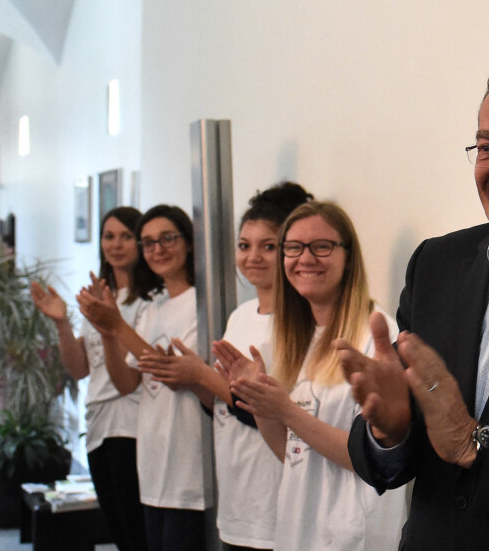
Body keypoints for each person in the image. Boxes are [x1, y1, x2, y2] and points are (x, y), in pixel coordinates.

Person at [337, 63, 489, 551]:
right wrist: (390, 429)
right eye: (488, 147)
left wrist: (474, 444)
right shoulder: (436, 264)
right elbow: (398, 453)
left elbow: (460, 438)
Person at [214, 201, 406, 551]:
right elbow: (292, 454)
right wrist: (259, 402)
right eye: (293, 248)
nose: (305, 259)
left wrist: (286, 410)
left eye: (321, 247)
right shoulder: (290, 341)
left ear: (348, 257)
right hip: (297, 531)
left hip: (353, 537)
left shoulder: (373, 334)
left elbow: (373, 460)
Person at [138, 182, 313, 551]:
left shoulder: (297, 323)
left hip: (272, 494)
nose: (253, 257)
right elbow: (224, 405)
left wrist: (201, 375)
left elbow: (271, 411)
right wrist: (189, 379)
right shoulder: (239, 316)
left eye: (268, 246)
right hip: (235, 492)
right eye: (244, 245)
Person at [77, 204, 212, 551]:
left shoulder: (204, 304)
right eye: (149, 242)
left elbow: (172, 371)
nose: (158, 249)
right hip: (153, 466)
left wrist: (116, 324)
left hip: (188, 468)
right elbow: (127, 383)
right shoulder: (155, 307)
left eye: (168, 238)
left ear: (190, 242)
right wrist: (109, 333)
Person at [31, 207, 148, 551]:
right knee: (118, 528)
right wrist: (62, 323)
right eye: (109, 236)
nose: (116, 244)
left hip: (134, 422)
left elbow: (134, 375)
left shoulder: (149, 300)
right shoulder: (98, 295)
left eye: (126, 236)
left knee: (137, 527)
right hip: (99, 423)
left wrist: (112, 326)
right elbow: (80, 369)